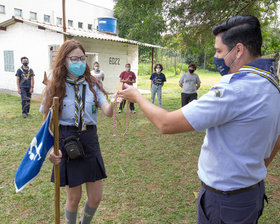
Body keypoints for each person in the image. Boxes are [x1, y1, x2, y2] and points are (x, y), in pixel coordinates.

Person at [119, 15, 280, 223]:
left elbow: (166, 123)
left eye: (219, 51)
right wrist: (252, 171)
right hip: (250, 194)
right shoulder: (271, 84)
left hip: (225, 201)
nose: (216, 56)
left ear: (238, 50)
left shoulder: (235, 89)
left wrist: (137, 97)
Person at [45, 40, 114, 224]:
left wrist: (114, 102)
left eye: (82, 58)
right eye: (74, 58)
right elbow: (47, 123)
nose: (79, 62)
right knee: (73, 199)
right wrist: (52, 149)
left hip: (90, 140)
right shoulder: (55, 86)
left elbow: (106, 110)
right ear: (64, 61)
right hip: (67, 141)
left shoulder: (93, 83)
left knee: (96, 197)